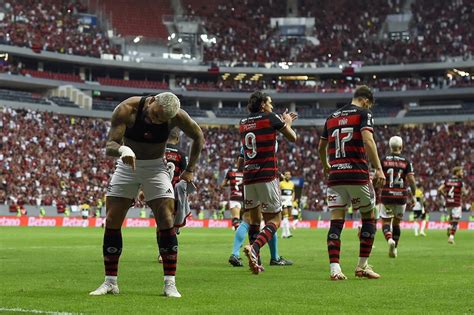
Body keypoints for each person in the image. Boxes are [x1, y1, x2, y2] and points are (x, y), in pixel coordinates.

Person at [89, 92, 204, 298]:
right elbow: (110, 146)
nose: (155, 120)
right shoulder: (127, 109)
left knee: (167, 218)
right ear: (152, 101)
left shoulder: (177, 116)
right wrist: (124, 150)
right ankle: (110, 282)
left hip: (155, 168)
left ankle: (170, 283)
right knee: (112, 219)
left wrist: (190, 169)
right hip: (126, 166)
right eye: (155, 114)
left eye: (161, 119)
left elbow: (198, 136)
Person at [318, 85, 385, 280]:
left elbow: (321, 146)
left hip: (336, 176)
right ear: (365, 100)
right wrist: (378, 168)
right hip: (356, 174)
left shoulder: (331, 117)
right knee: (368, 218)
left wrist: (326, 165)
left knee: (336, 222)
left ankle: (335, 269)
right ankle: (362, 266)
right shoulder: (364, 113)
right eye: (369, 104)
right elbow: (368, 139)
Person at [239, 91, 297, 274]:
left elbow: (262, 128)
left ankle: (256, 261)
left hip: (248, 176)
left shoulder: (243, 123)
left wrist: (276, 121)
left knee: (255, 220)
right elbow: (292, 137)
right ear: (263, 104)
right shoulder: (271, 117)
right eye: (270, 102)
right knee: (275, 220)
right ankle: (254, 248)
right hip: (267, 175)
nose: (272, 105)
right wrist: (287, 122)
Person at [228, 153, 293, 267]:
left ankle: (239, 254)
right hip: (266, 178)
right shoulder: (270, 136)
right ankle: (273, 256)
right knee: (272, 218)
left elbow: (240, 164)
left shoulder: (246, 136)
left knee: (248, 219)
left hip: (249, 179)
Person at [379, 136, 417, 258]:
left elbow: (377, 177)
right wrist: (414, 195)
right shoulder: (406, 161)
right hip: (401, 196)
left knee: (386, 221)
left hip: (387, 195)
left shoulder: (383, 160)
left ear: (390, 147)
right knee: (396, 223)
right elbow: (411, 180)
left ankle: (390, 240)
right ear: (401, 147)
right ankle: (395, 248)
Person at [438, 166, 468, 244]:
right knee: (456, 220)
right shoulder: (460, 182)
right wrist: (466, 192)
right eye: (461, 172)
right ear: (457, 172)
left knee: (451, 217)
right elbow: (465, 193)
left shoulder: (447, 180)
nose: (462, 173)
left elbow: (439, 189)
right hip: (456, 203)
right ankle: (451, 237)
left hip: (448, 202)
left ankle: (449, 226)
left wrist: (445, 195)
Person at [221, 159, 244, 230]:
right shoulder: (248, 171)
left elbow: (223, 185)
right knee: (249, 221)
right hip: (246, 198)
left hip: (235, 197)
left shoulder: (231, 171)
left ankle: (238, 230)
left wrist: (230, 183)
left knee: (236, 219)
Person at [280, 171, 295, 238]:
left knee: (287, 217)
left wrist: (292, 198)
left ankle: (284, 233)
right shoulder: (281, 183)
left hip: (289, 201)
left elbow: (293, 192)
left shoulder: (292, 184)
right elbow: (278, 192)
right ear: (284, 176)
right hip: (283, 202)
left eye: (289, 174)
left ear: (290, 176)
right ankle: (287, 233)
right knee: (285, 216)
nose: (287, 176)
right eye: (286, 174)